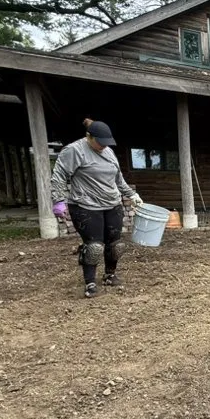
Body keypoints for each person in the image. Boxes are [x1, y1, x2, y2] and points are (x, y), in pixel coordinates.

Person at [51, 118, 142, 298]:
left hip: (112, 203)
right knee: (94, 246)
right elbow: (59, 175)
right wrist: (58, 200)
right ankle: (90, 282)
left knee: (116, 244)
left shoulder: (108, 152)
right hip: (86, 205)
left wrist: (131, 195)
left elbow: (118, 178)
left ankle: (110, 274)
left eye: (106, 143)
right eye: (100, 142)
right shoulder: (74, 151)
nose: (103, 146)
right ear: (89, 137)